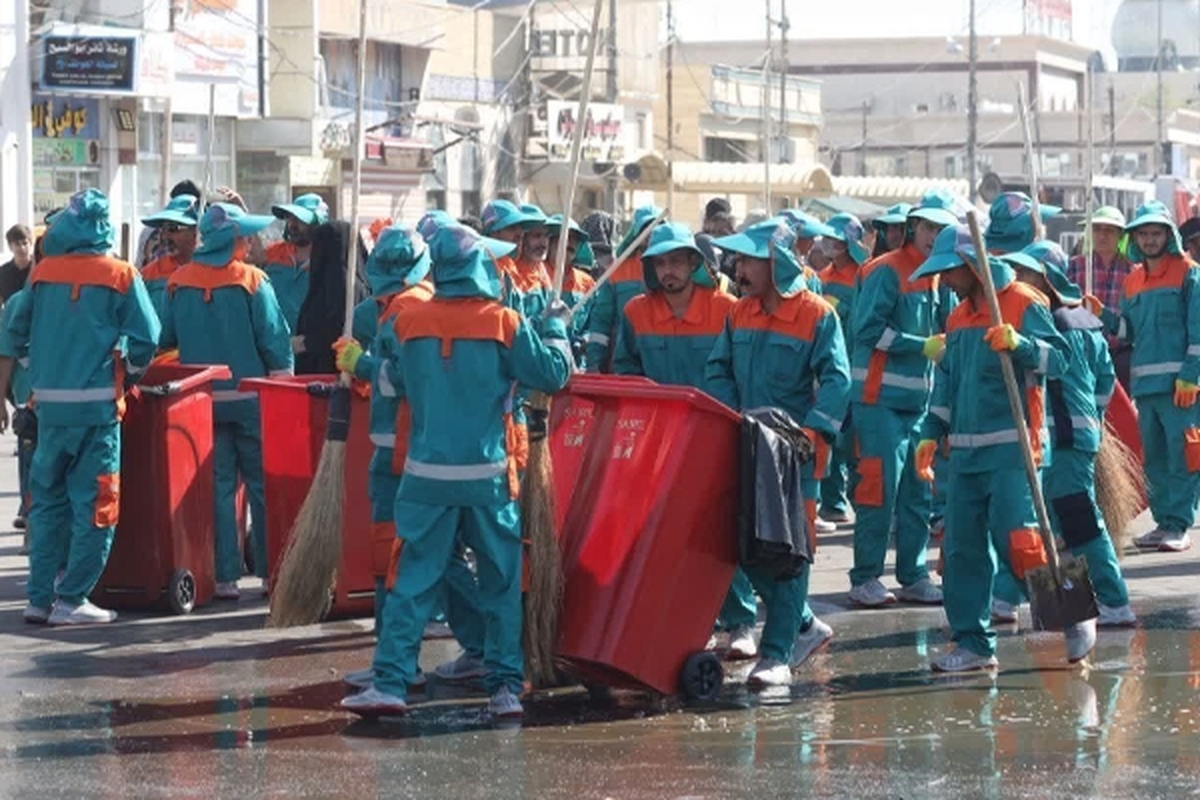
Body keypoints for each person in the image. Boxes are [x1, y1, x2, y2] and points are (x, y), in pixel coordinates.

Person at [340, 222, 573, 719]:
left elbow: (393, 380)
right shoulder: (504, 322)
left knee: (411, 583)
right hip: (488, 480)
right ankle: (505, 688)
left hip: (424, 478)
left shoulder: (407, 323)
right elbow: (551, 375)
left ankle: (391, 683)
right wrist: (554, 329)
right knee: (500, 583)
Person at [912, 224, 1093, 671]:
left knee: (1020, 541)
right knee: (961, 551)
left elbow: (1061, 361)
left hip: (1016, 449)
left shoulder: (1023, 303)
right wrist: (930, 432)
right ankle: (973, 644)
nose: (946, 281)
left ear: (972, 265)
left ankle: (1074, 616)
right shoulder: (956, 318)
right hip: (968, 456)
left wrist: (1021, 344)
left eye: (951, 271)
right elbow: (948, 383)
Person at [8, 189, 160, 625]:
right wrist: (128, 373)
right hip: (95, 412)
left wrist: (38, 370)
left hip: (50, 410)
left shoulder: (42, 274)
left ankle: (38, 599)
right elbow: (147, 336)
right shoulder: (120, 274)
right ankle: (73, 598)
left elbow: (14, 330)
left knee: (47, 504)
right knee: (96, 504)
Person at [706, 219, 845, 686]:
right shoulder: (738, 313)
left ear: (776, 264)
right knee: (745, 547)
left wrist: (810, 434)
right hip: (748, 448)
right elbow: (718, 370)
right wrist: (730, 418)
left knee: (790, 555)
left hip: (796, 457)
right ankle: (803, 624)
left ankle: (777, 653)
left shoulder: (818, 314)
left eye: (747, 260)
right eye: (738, 260)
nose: (737, 268)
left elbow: (837, 382)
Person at [159, 202, 294, 599]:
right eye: (246, 235)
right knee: (261, 487)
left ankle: (224, 578)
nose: (251, 241)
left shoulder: (177, 282)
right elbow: (275, 340)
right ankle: (271, 574)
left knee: (218, 489)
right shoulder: (253, 280)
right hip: (252, 400)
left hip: (202, 402)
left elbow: (165, 340)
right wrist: (282, 386)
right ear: (234, 241)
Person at [997, 242, 1135, 627]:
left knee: (1075, 522)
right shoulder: (1087, 324)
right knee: (1045, 522)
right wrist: (1090, 417)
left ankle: (1113, 601)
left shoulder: (1044, 323)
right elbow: (1105, 385)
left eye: (1024, 273)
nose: (1015, 280)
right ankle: (1006, 597)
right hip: (1077, 435)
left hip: (1062, 439)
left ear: (1047, 279)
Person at [845, 192, 958, 608]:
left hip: (918, 406)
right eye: (929, 227)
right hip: (878, 401)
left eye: (942, 229)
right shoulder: (885, 271)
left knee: (918, 491)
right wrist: (921, 346)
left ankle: (912, 575)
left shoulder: (939, 277)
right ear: (913, 228)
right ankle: (865, 576)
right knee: (879, 488)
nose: (934, 235)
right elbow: (867, 331)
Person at [1087, 201, 1200, 553]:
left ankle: (1179, 524)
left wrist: (1190, 376)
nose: (1150, 239)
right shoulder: (1133, 280)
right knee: (1154, 458)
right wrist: (1101, 314)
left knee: (1183, 454)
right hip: (1146, 387)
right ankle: (1163, 523)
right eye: (1144, 234)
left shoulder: (1189, 273)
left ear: (1168, 236)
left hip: (1181, 386)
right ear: (1135, 238)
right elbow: (1128, 332)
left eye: (1156, 233)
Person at [816, 213, 869, 526]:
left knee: (853, 441)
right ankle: (833, 500)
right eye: (827, 238)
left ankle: (855, 498)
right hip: (827, 367)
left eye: (835, 239)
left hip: (855, 368)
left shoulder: (864, 275)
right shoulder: (822, 277)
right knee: (829, 435)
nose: (828, 243)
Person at [586, 205, 663, 372]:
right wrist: (594, 362)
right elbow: (601, 321)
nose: (652, 232)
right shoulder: (617, 270)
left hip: (662, 357)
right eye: (646, 227)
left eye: (658, 226)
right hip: (623, 361)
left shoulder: (673, 270)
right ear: (635, 232)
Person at [1067, 206, 1133, 390]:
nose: (1102, 236)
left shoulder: (1132, 272)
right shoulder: (1075, 266)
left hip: (1120, 354)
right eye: (1097, 229)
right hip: (1083, 351)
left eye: (1109, 231)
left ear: (1120, 235)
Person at [293, 220, 368, 375]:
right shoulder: (359, 282)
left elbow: (338, 329)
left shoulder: (338, 284)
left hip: (331, 373)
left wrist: (305, 343)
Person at [265, 192, 329, 336]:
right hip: (275, 345)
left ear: (317, 224)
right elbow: (251, 250)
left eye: (300, 219)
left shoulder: (330, 261)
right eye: (290, 217)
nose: (292, 225)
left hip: (312, 348)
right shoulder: (277, 252)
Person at [546, 214, 596, 366]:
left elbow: (596, 323)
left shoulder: (587, 283)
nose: (570, 242)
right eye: (563, 238)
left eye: (575, 240)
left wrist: (586, 339)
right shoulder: (536, 278)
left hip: (577, 364)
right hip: (545, 361)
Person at [139, 195, 200, 315]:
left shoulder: (212, 271)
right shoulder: (149, 274)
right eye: (163, 229)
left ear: (196, 231)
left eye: (173, 229)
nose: (165, 236)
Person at [0, 224, 33, 303]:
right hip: (11, 315)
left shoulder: (39, 269)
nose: (22, 248)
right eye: (17, 244)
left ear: (31, 244)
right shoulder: (3, 272)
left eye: (25, 243)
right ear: (10, 247)